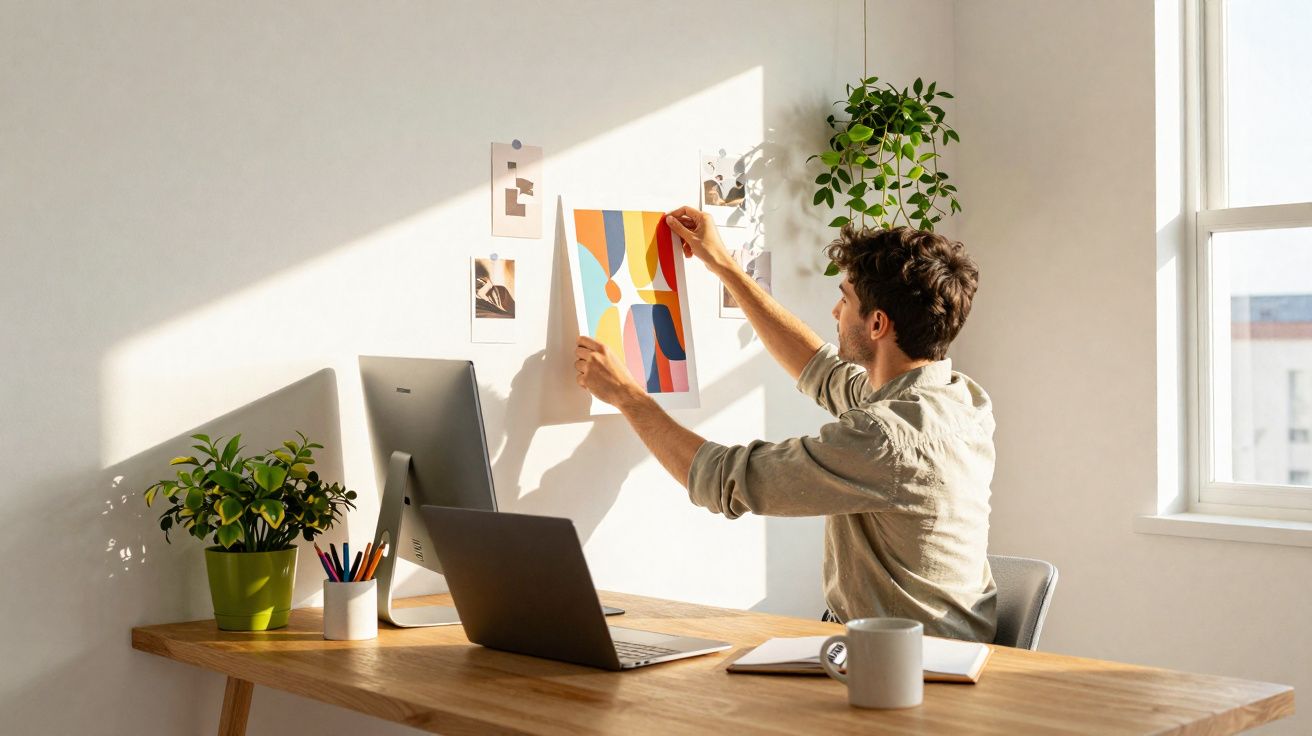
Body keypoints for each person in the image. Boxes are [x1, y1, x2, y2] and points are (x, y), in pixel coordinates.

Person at [573, 208, 996, 641]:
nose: (835, 310)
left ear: (876, 323)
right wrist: (723, 265)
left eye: (845, 299)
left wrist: (627, 395)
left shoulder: (886, 438)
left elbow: (724, 480)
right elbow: (820, 368)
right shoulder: (957, 400)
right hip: (936, 646)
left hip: (906, 664)